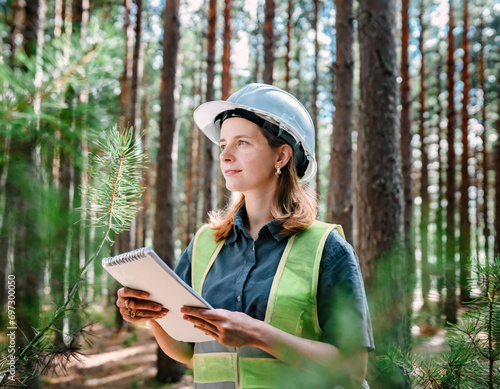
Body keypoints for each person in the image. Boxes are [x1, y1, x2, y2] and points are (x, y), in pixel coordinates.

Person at [116, 83, 374, 388]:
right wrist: (154, 315)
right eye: (223, 143)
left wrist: (257, 334)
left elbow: (353, 367)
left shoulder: (327, 249)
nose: (225, 155)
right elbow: (188, 352)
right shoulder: (204, 245)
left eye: (242, 143)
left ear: (282, 157)